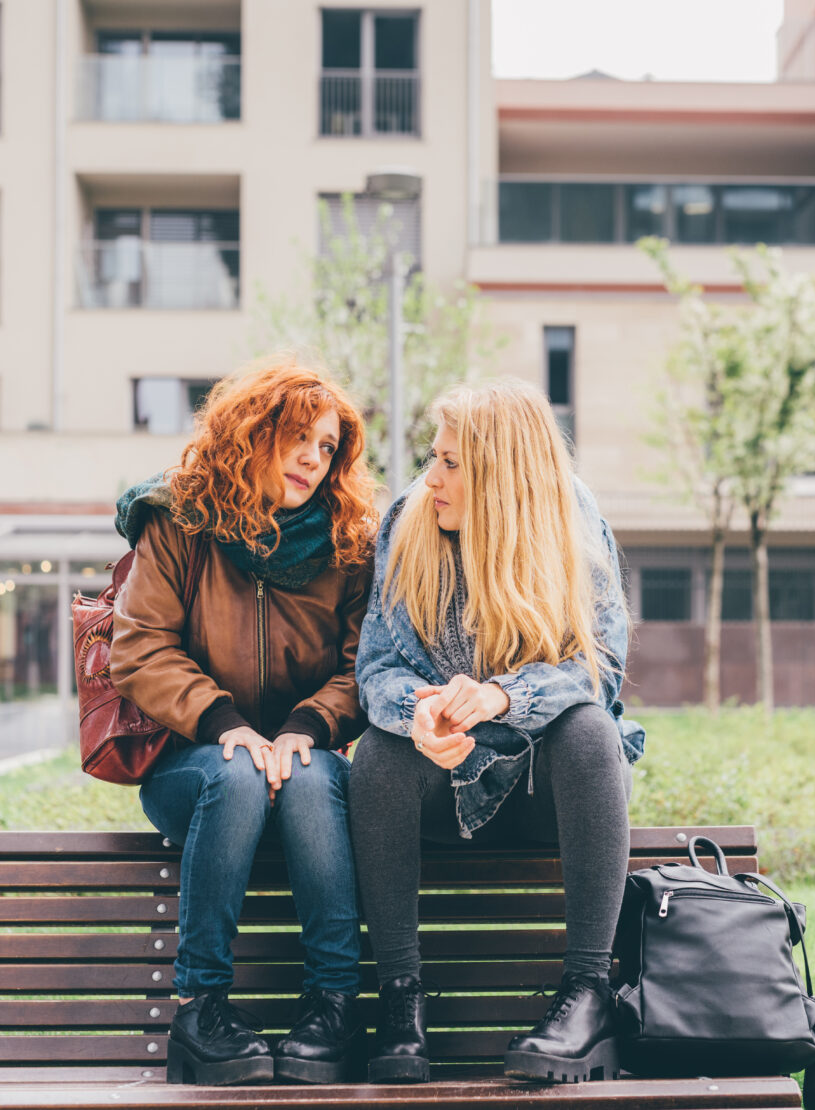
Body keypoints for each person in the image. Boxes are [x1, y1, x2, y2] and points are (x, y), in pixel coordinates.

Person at [350, 379, 645, 1085]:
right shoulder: (409, 520)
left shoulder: (570, 520)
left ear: (503, 476)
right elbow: (377, 666)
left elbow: (598, 668)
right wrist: (414, 715)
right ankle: (400, 1001)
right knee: (377, 757)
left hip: (550, 789)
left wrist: (500, 697)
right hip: (443, 783)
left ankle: (586, 997)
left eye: (452, 464)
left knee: (588, 731)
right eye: (433, 456)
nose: (432, 477)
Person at [110, 357, 378, 1086]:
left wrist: (306, 726)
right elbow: (139, 649)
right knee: (234, 776)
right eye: (297, 436)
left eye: (328, 448)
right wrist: (224, 722)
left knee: (308, 776)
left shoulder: (349, 544)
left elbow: (364, 663)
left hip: (306, 756)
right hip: (193, 761)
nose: (312, 459)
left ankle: (333, 1008)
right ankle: (201, 1011)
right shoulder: (178, 524)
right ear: (250, 434)